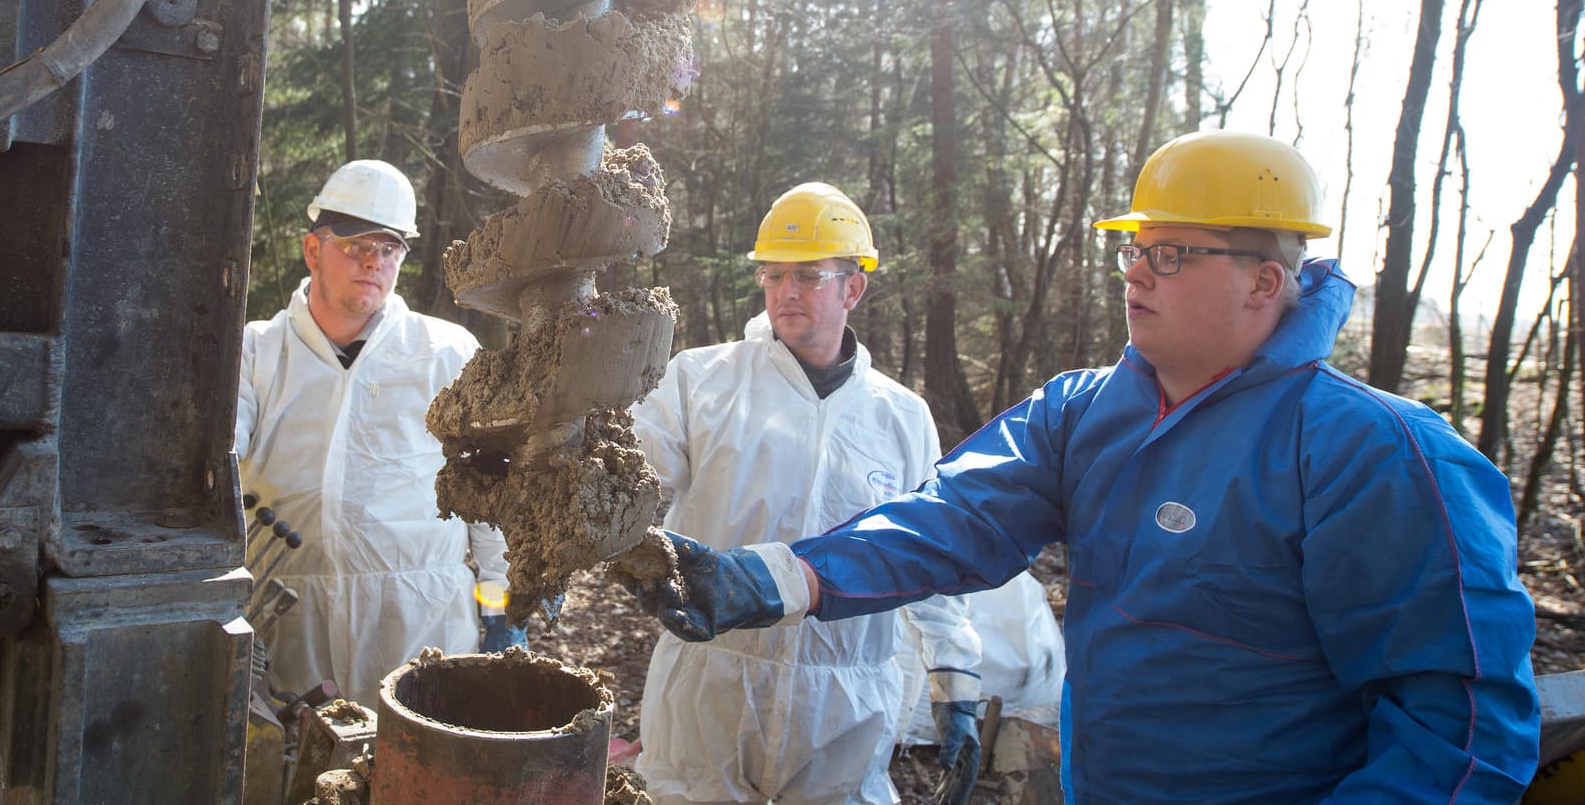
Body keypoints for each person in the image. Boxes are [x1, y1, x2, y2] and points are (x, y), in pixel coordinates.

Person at [627, 131, 1541, 802]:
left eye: (1171, 254)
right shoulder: (1083, 414)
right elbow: (950, 521)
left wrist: (948, 678)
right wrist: (777, 576)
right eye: (1134, 250)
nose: (1136, 274)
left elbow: (1460, 733)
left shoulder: (1379, 456)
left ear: (1267, 282)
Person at [627, 182, 992, 805]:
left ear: (854, 287)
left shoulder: (901, 417)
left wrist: (956, 680)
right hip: (711, 687)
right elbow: (626, 485)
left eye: (808, 275)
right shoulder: (701, 381)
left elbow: (929, 553)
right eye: (773, 275)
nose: (786, 292)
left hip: (845, 705)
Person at [234, 159, 520, 707]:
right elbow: (219, 466)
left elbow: (490, 497)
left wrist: (499, 605)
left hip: (420, 623)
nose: (373, 261)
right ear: (313, 250)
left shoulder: (446, 353)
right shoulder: (256, 352)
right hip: (289, 622)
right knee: (293, 777)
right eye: (354, 244)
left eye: (389, 248)